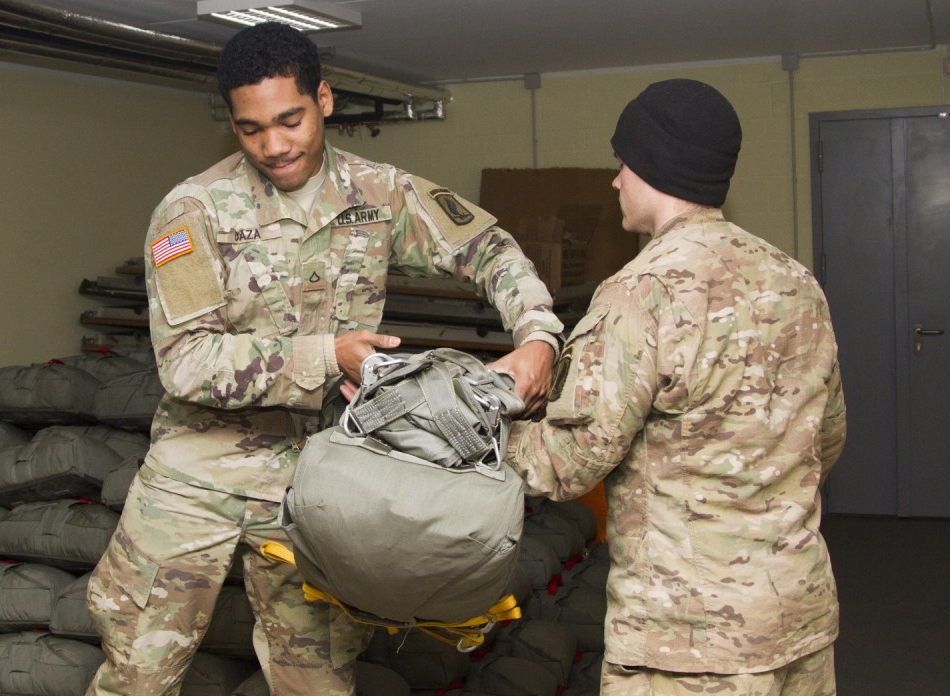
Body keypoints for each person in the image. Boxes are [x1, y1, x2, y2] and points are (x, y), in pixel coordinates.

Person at [86, 21, 563, 696]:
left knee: (318, 682)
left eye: (290, 119)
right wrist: (326, 355)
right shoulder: (192, 214)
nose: (274, 145)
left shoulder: (380, 193)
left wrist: (538, 335)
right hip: (195, 480)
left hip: (316, 485)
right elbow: (187, 363)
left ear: (326, 101)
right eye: (251, 129)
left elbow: (488, 248)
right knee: (136, 675)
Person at [509, 78, 846, 695]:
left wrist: (476, 425)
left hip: (688, 646)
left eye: (622, 162)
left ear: (651, 166)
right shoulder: (798, 283)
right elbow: (826, 440)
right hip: (798, 619)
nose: (615, 180)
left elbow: (566, 466)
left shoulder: (642, 293)